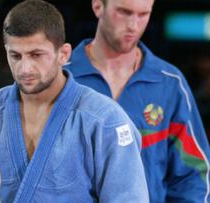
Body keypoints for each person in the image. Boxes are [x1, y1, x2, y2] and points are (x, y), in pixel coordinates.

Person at [0, 0, 149, 202]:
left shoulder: (106, 121)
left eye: (36, 55)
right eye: (15, 56)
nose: (25, 68)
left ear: (63, 54)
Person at [64, 0, 210, 202]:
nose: (133, 25)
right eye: (124, 12)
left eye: (143, 14)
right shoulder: (62, 78)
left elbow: (194, 174)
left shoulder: (168, 83)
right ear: (98, 6)